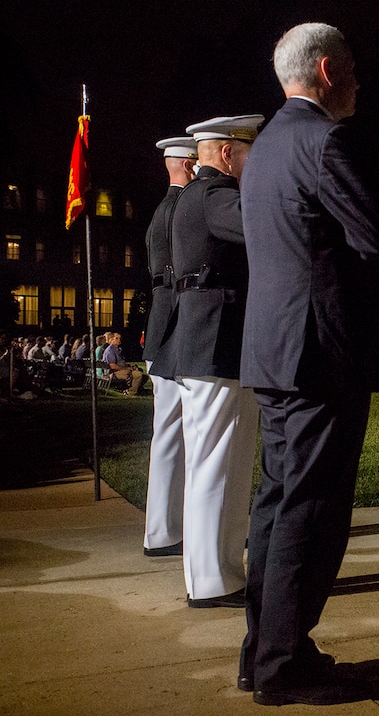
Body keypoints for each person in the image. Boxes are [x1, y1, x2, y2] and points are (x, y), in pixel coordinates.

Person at [239, 22, 379, 706]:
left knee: (275, 506)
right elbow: (375, 241)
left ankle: (265, 649)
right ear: (327, 70)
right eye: (351, 69)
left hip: (274, 351)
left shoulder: (266, 145)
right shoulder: (323, 141)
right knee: (312, 510)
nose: (357, 80)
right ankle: (283, 663)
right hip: (319, 355)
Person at [150, 114, 264, 608]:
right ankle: (215, 579)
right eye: (247, 152)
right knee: (220, 464)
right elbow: (266, 225)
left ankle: (210, 574)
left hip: (203, 340)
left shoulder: (193, 196)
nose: (251, 161)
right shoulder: (216, 195)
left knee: (208, 463)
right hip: (217, 341)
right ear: (225, 153)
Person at [142, 135, 197, 558]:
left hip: (162, 324)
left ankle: (163, 529)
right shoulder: (178, 207)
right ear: (186, 164)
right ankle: (167, 531)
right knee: (176, 435)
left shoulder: (163, 208)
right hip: (173, 325)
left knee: (168, 436)